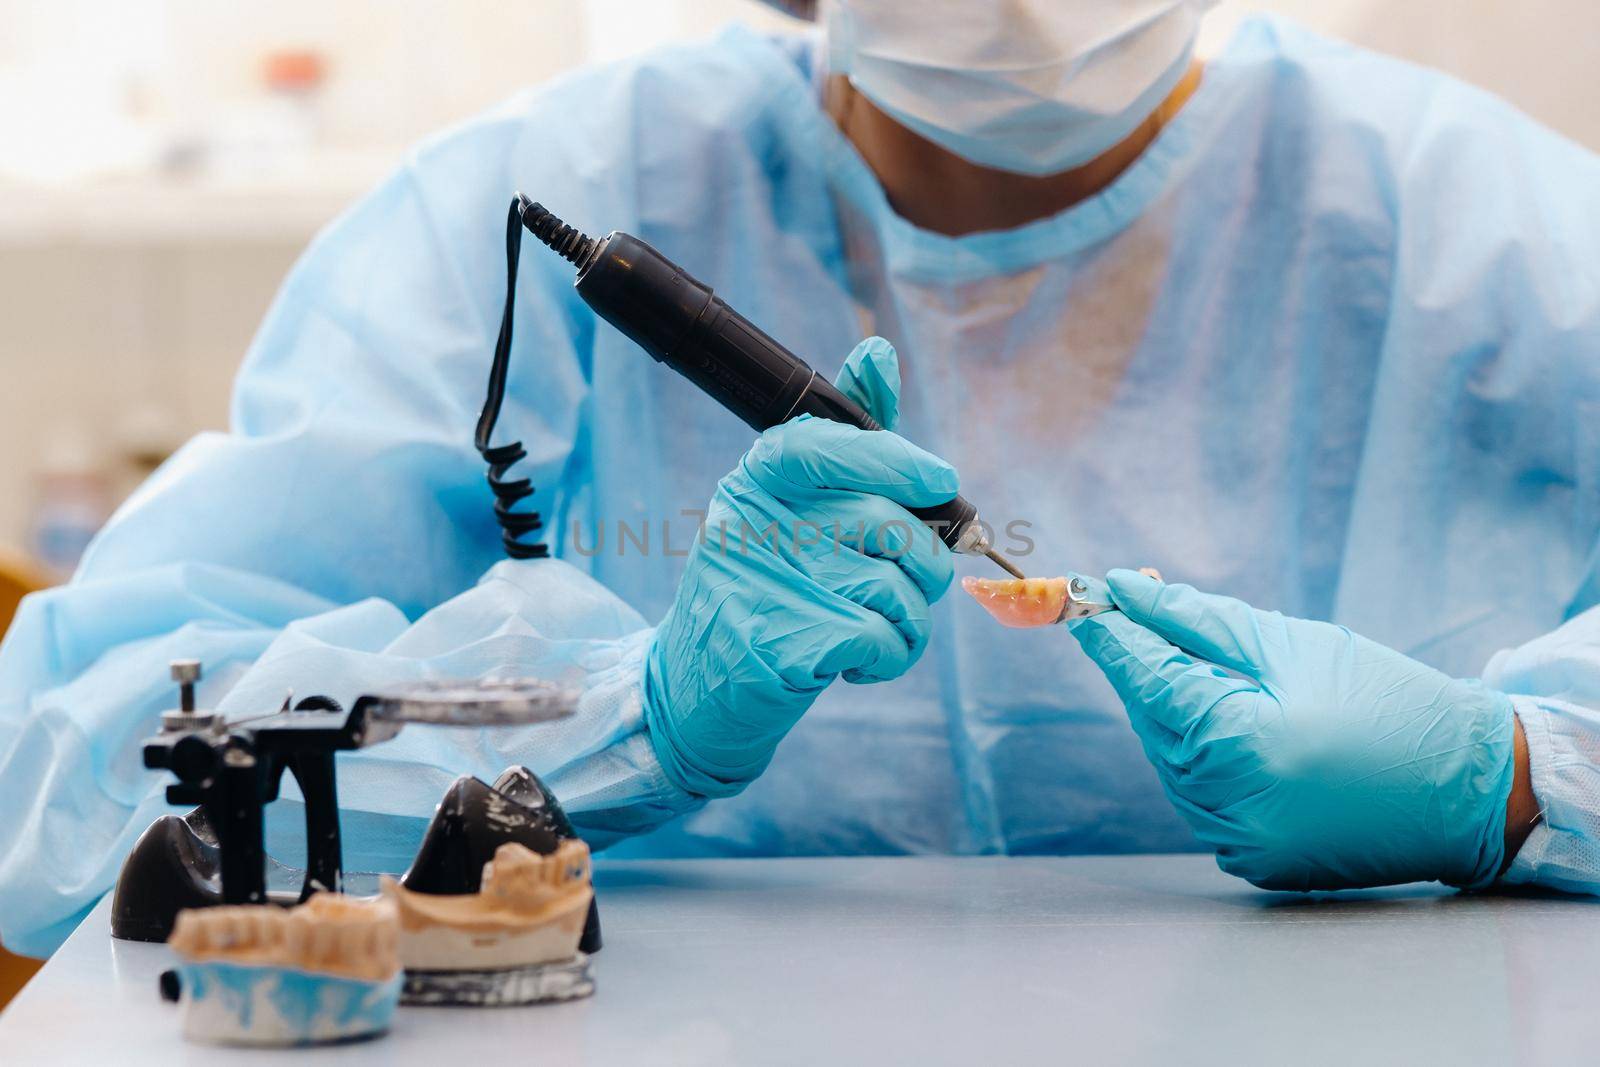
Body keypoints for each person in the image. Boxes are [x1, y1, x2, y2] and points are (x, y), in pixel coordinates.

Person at [3, 0, 1599, 956]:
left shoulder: (1494, 237)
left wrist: (1515, 777)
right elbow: (64, 777)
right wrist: (622, 723)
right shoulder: (518, 216)